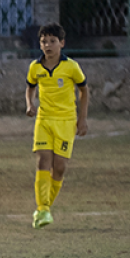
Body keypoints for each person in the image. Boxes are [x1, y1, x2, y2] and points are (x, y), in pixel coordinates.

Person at [25, 23, 89, 229]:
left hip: (66, 121)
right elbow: (30, 87)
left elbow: (84, 90)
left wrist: (82, 119)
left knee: (59, 168)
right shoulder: (35, 67)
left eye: (52, 41)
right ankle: (43, 208)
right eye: (44, 42)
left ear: (62, 43)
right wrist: (30, 104)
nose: (48, 45)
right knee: (43, 161)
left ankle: (44, 208)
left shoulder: (71, 66)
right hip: (44, 120)